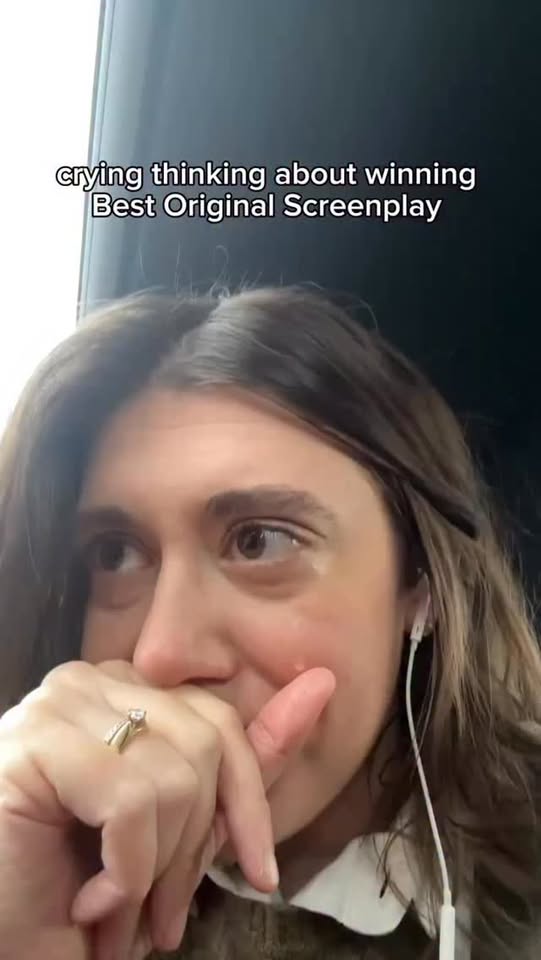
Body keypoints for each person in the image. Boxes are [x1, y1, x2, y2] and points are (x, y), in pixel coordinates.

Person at [0, 285, 539, 960]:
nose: (160, 654)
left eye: (258, 542)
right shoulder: (51, 852)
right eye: (116, 555)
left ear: (421, 588)